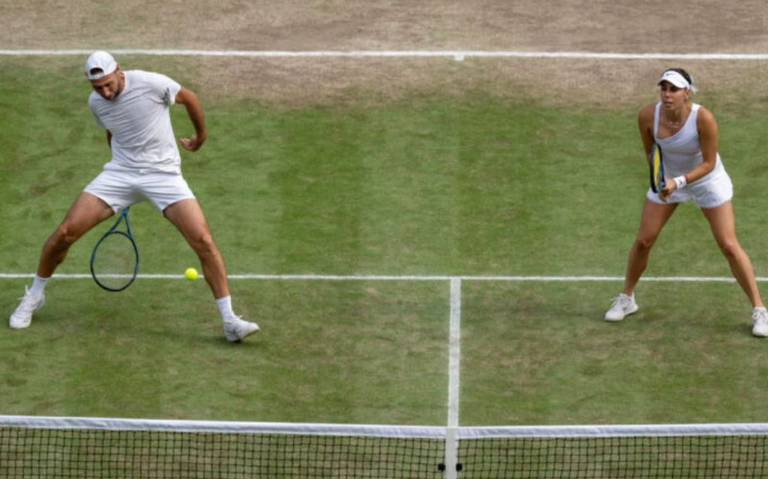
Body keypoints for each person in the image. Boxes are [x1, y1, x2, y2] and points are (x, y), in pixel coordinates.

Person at [9, 51, 259, 342]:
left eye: (108, 83)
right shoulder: (96, 104)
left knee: (203, 240)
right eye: (97, 87)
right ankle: (35, 296)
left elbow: (189, 98)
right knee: (65, 233)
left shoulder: (152, 83)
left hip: (164, 176)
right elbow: (113, 132)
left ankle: (230, 321)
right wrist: (124, 178)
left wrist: (200, 137)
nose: (104, 91)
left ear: (119, 72)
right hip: (120, 175)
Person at [604, 68, 768, 337]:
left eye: (674, 89)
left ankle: (760, 310)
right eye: (664, 89)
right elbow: (651, 153)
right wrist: (662, 180)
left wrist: (678, 182)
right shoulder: (647, 116)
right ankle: (627, 298)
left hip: (706, 181)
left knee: (728, 245)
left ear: (687, 93)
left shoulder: (703, 118)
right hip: (669, 181)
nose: (667, 95)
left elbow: (709, 162)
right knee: (644, 240)